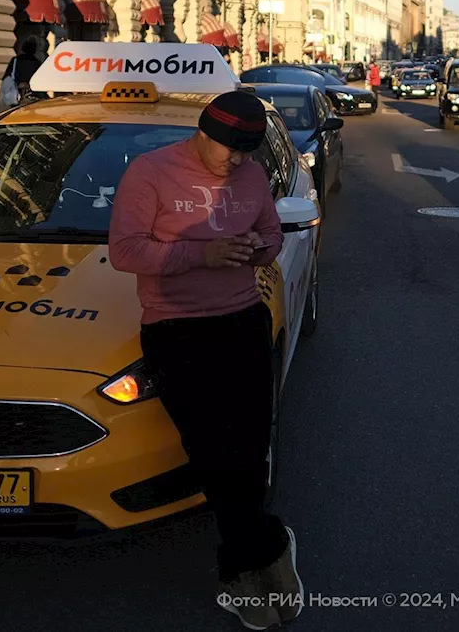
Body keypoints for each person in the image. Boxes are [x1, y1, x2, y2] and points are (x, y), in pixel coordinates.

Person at [108, 91, 303, 630]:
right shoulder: (151, 172)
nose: (236, 161)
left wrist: (254, 250)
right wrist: (205, 254)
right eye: (228, 150)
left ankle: (243, 563)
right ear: (203, 131)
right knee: (213, 454)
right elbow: (125, 250)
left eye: (246, 152)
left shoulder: (253, 176)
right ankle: (258, 552)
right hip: (176, 330)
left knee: (249, 448)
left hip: (242, 321)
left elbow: (269, 234)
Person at [5, 37, 44, 105]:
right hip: (31, 93)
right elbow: (40, 79)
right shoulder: (37, 62)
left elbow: (7, 75)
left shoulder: (15, 60)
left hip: (17, 92)